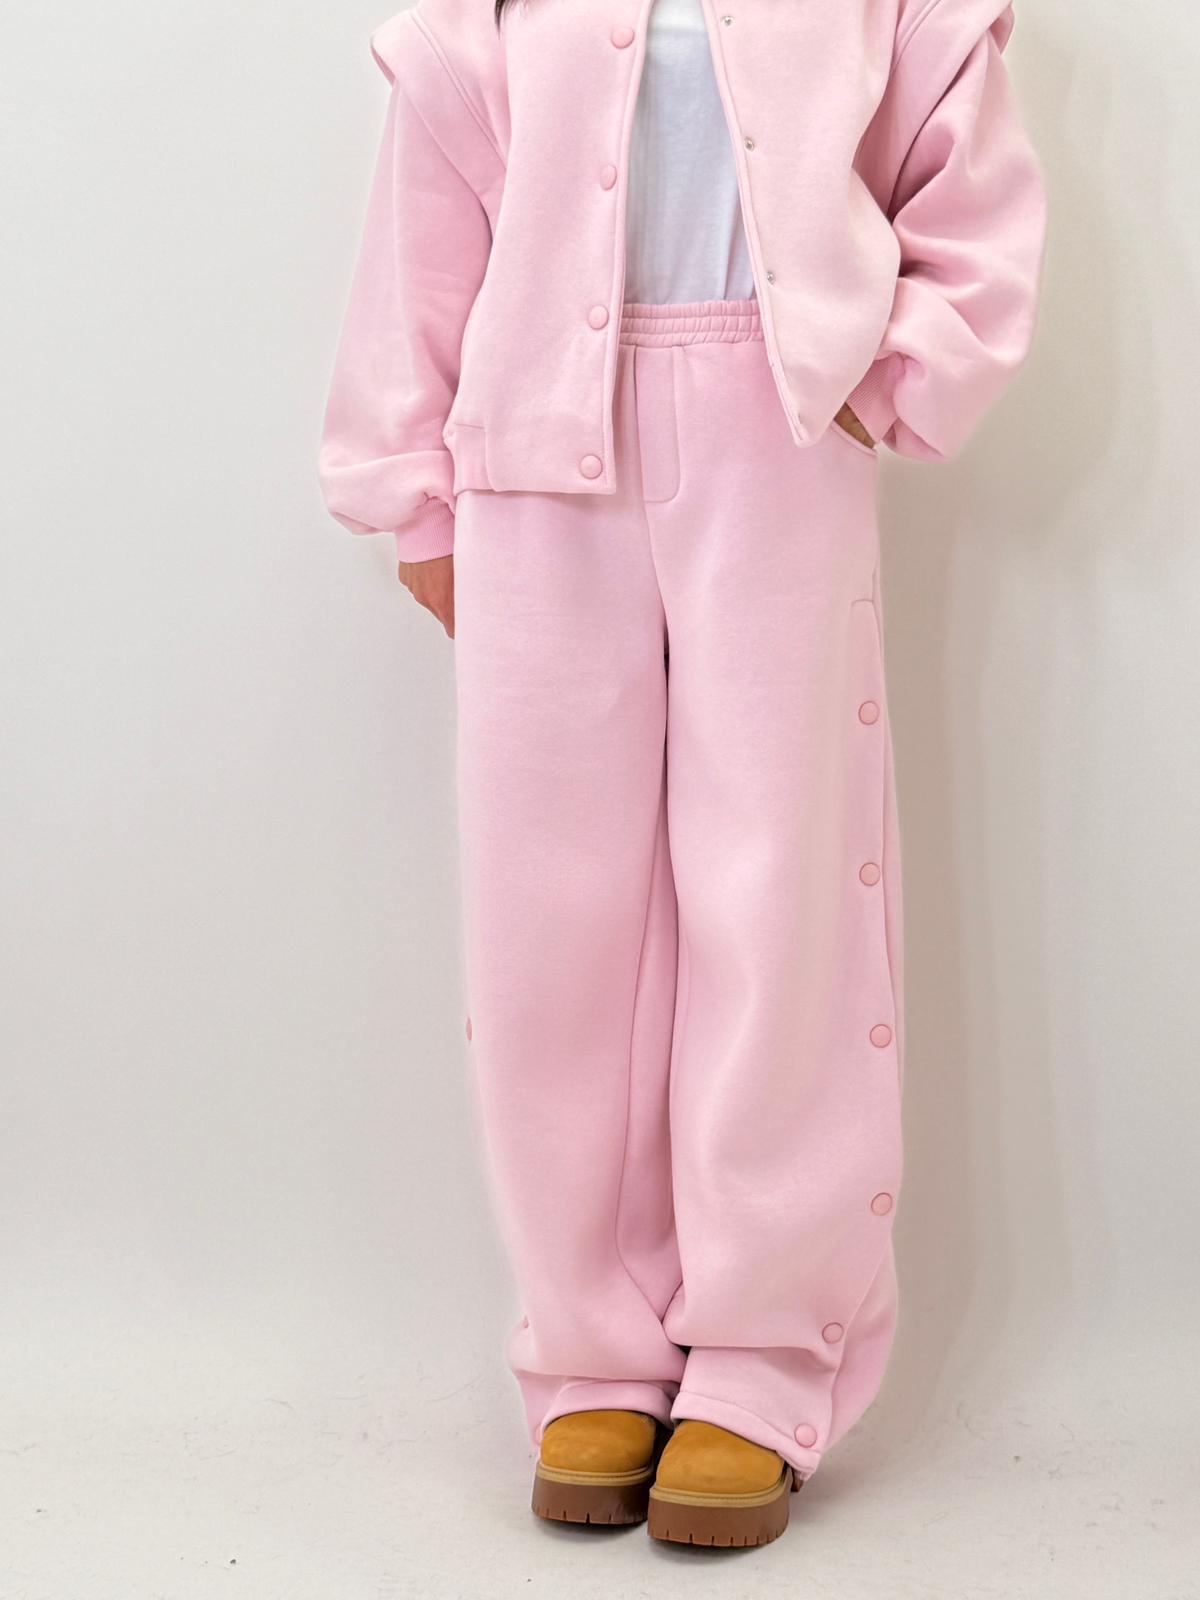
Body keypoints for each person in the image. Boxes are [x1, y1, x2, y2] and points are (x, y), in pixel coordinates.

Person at [318, 0, 1046, 1548]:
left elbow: (967, 181)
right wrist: (413, 486)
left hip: (776, 440)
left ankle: (762, 1354)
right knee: (551, 921)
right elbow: (427, 198)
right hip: (533, 452)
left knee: (776, 887)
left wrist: (901, 369)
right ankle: (591, 1344)